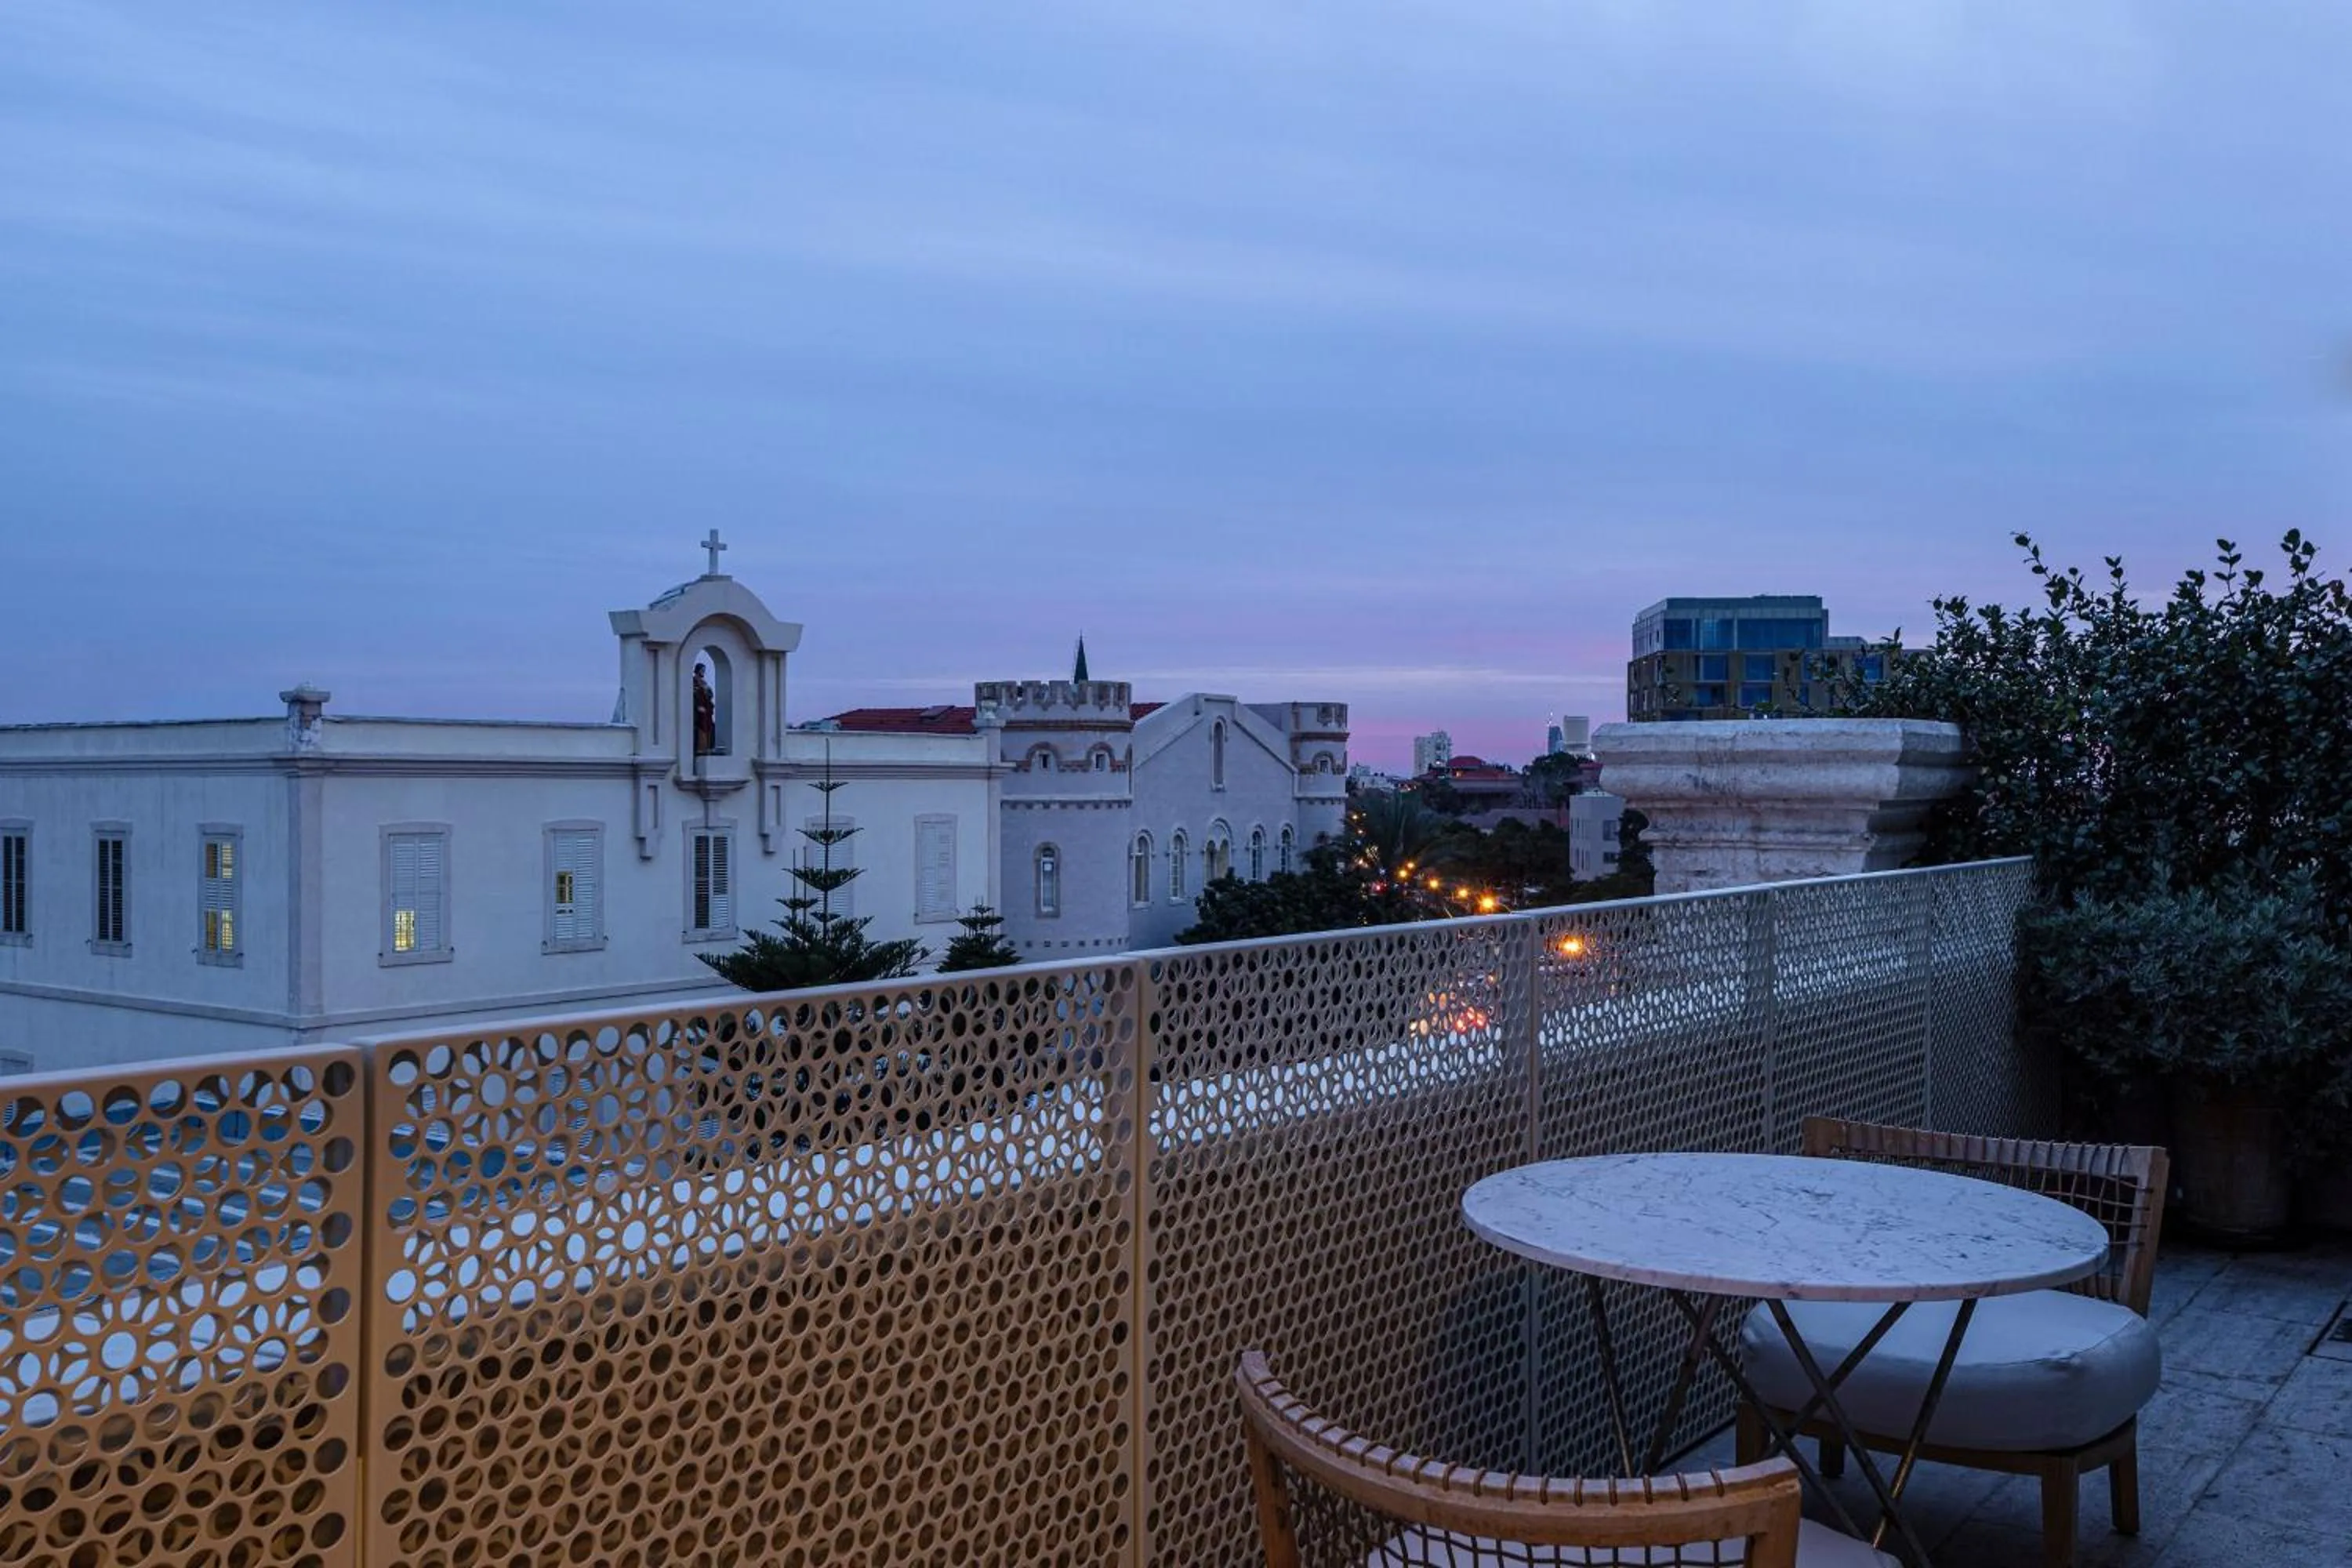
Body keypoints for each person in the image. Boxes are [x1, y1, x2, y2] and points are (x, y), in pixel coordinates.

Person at [692, 662, 717, 755]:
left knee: (710, 726)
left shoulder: (704, 683)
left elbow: (710, 695)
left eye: (704, 670)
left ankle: (709, 747)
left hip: (706, 710)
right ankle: (700, 748)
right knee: (701, 727)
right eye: (702, 670)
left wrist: (707, 690)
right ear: (698, 670)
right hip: (699, 711)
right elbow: (694, 695)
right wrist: (697, 706)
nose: (703, 672)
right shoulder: (693, 682)